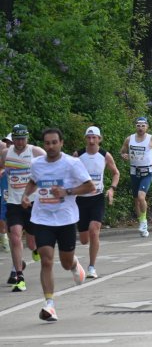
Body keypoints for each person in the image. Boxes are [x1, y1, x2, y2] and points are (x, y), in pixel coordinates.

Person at [21, 127, 96, 322]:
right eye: (47, 143)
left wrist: (67, 192)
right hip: (42, 218)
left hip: (66, 219)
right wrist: (26, 195)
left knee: (64, 262)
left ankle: (74, 264)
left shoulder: (72, 163)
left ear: (61, 143)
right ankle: (50, 305)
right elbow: (33, 181)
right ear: (44, 145)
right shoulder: (37, 163)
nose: (51, 146)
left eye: (55, 142)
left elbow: (90, 186)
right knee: (46, 259)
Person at [0, 125, 45, 292]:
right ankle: (19, 276)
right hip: (13, 202)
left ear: (27, 138)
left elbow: (52, 162)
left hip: (32, 201)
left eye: (22, 139)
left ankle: (35, 250)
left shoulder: (35, 152)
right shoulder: (6, 153)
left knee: (32, 242)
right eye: (17, 139)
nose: (20, 142)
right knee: (15, 236)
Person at [73, 126, 120, 279]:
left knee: (94, 230)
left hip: (97, 198)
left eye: (94, 137)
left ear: (100, 139)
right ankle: (77, 263)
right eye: (89, 137)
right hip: (80, 199)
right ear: (85, 139)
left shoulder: (105, 155)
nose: (91, 140)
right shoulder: (78, 155)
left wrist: (112, 189)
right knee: (84, 239)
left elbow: (116, 173)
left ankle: (91, 267)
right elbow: (68, 173)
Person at [119, 117, 152, 237]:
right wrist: (124, 155)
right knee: (136, 200)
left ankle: (144, 222)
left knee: (141, 196)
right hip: (134, 172)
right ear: (135, 126)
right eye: (138, 125)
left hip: (147, 172)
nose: (140, 128)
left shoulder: (151, 139)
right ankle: (142, 224)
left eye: (143, 126)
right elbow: (122, 151)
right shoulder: (129, 139)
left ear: (147, 127)